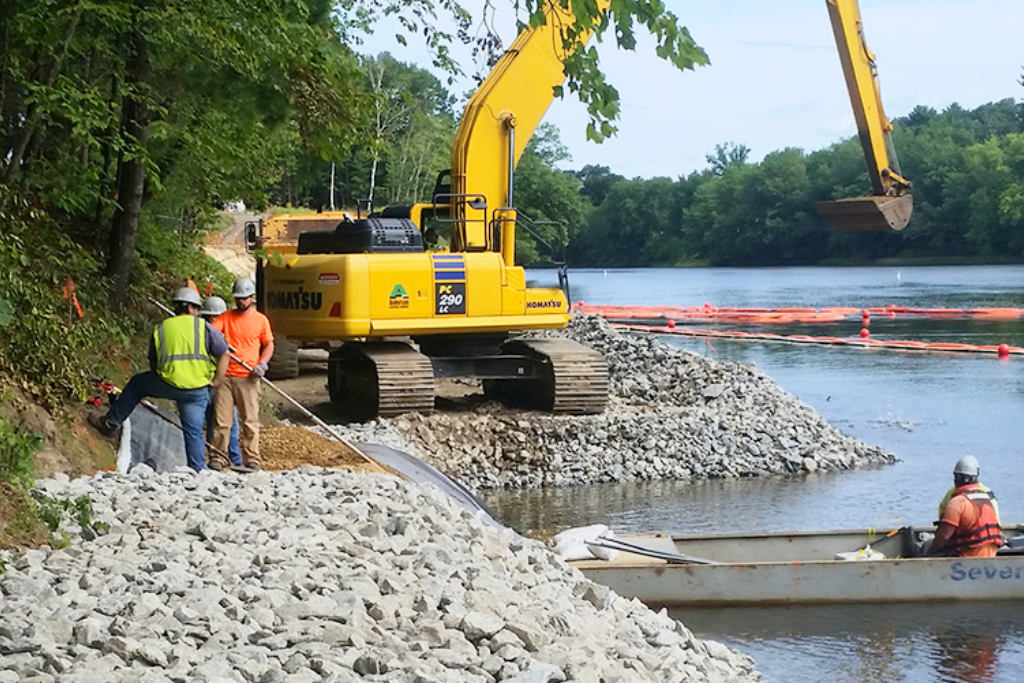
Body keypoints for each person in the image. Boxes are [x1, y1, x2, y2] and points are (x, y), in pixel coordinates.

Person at [91, 287, 229, 472]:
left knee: (137, 384)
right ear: (190, 308)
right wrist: (217, 381)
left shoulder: (161, 328)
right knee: (194, 431)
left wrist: (162, 376)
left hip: (166, 382)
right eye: (197, 309)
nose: (198, 313)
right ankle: (198, 470)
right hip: (196, 390)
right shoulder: (204, 328)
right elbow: (224, 354)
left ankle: (110, 423)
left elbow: (153, 360)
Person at [210, 278, 274, 470]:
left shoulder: (261, 320)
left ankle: (252, 458)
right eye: (238, 298)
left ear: (252, 298)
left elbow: (269, 344)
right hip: (226, 377)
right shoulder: (226, 317)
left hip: (248, 377)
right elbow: (211, 334)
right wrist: (218, 341)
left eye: (244, 298)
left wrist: (262, 364)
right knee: (222, 421)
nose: (241, 302)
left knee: (250, 421)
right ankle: (218, 457)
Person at [927, 456, 1003, 557]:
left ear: (956, 479)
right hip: (990, 554)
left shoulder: (957, 503)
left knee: (926, 545)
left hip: (967, 556)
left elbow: (943, 537)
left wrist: (926, 555)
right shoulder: (987, 497)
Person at [200, 296, 242, 467]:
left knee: (225, 422)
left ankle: (233, 459)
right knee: (218, 422)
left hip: (220, 382)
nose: (215, 321)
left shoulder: (224, 333)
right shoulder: (203, 333)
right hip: (208, 382)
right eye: (212, 317)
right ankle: (219, 457)